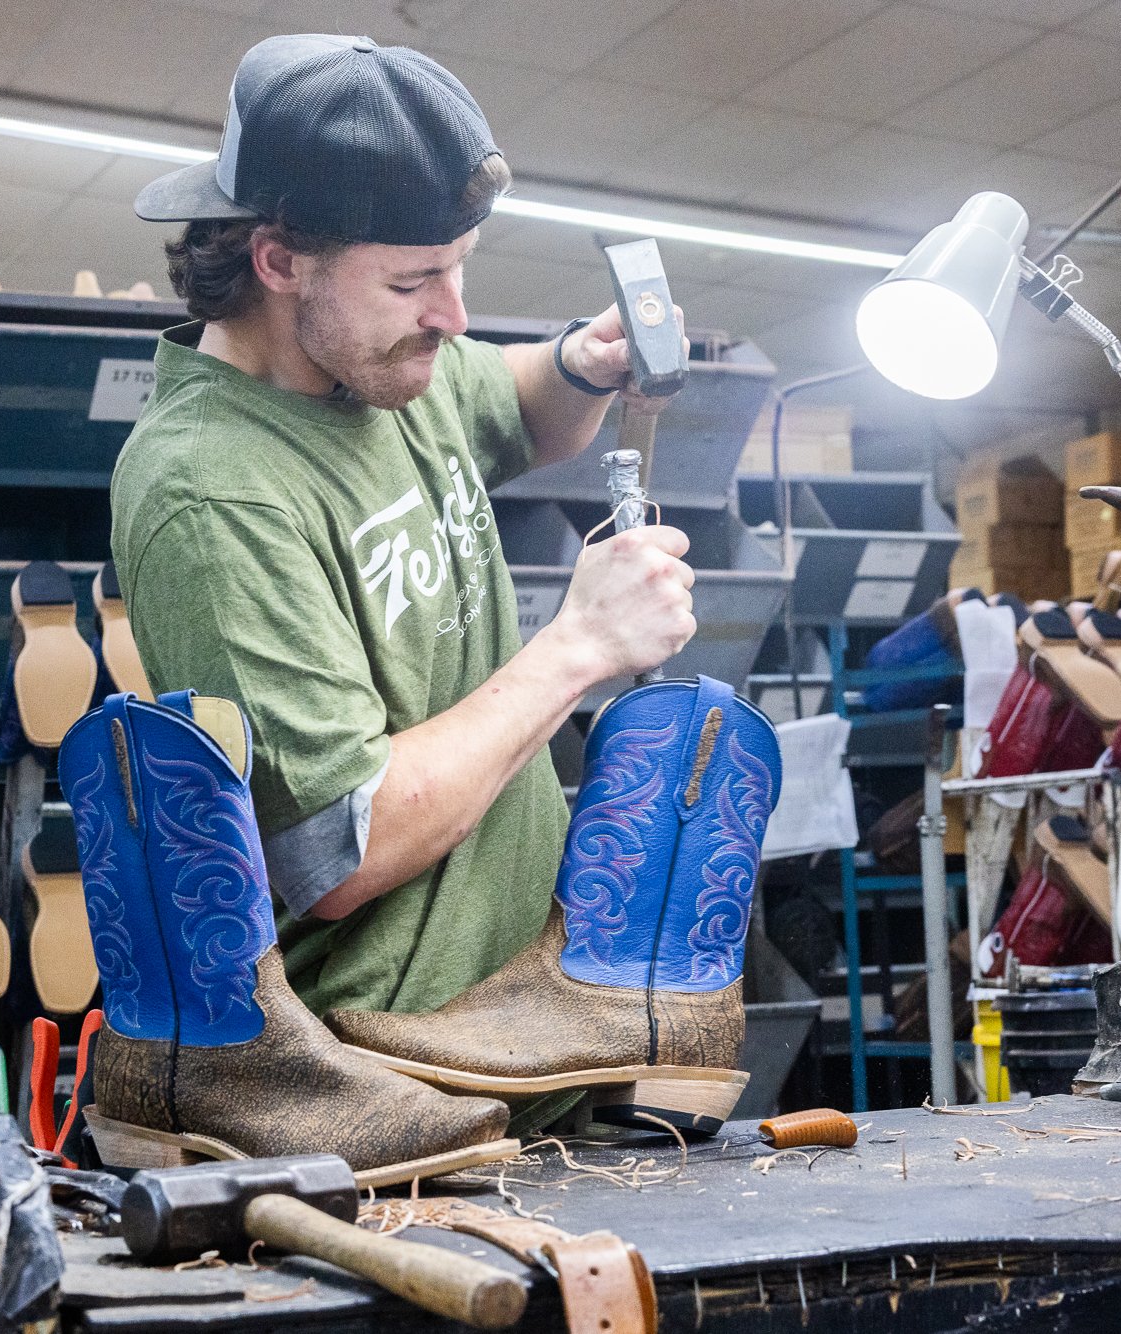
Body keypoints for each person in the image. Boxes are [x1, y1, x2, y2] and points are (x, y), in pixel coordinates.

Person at [111, 32, 693, 1019]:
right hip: (384, 1074)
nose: (452, 315)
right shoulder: (212, 492)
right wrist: (581, 646)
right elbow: (341, 844)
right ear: (279, 259)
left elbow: (514, 399)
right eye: (411, 280)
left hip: (521, 1029)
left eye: (459, 269)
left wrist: (580, 363)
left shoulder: (379, 367)